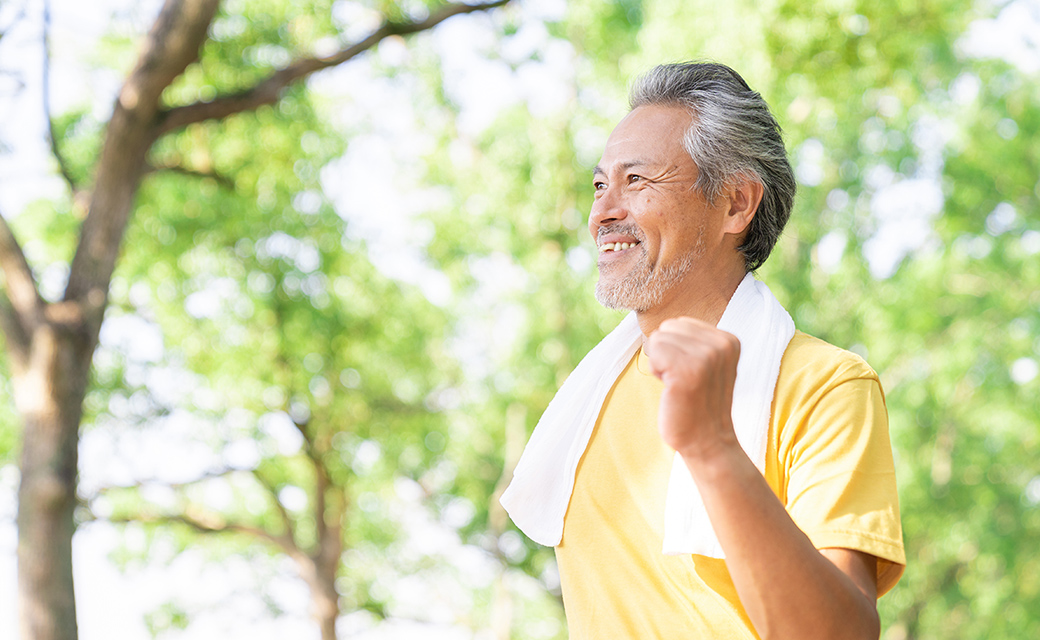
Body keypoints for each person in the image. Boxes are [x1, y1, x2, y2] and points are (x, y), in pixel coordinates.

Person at [500, 62, 905, 639]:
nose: (602, 213)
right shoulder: (589, 397)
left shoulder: (826, 386)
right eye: (599, 185)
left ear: (736, 204)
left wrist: (713, 446)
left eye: (636, 181)